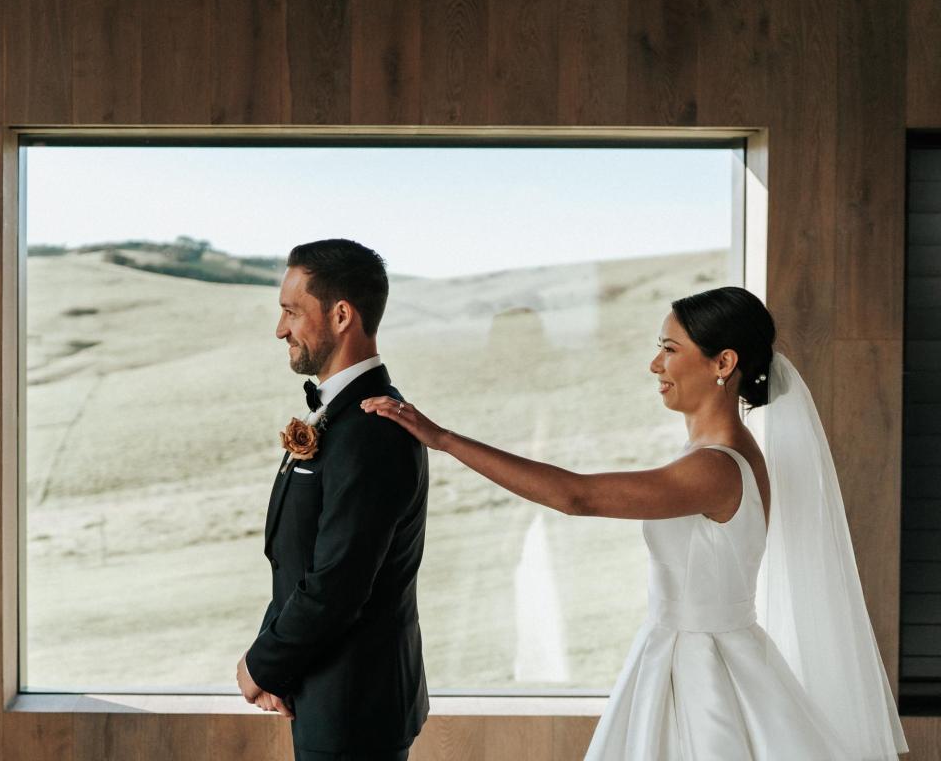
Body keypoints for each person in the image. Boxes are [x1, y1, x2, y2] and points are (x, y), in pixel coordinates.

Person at [362, 286, 908, 760]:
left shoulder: (716, 468)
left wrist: (445, 440)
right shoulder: (722, 454)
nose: (655, 365)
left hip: (704, 677)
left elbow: (577, 497)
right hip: (684, 656)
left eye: (670, 349)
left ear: (723, 364)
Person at [236, 239, 430, 761]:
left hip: (355, 709)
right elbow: (297, 557)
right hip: (328, 696)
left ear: (342, 315)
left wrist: (261, 664)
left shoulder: (374, 430)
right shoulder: (341, 416)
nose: (281, 329)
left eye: (291, 312)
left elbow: (338, 583)